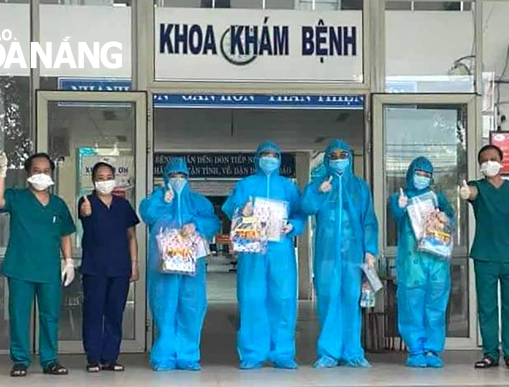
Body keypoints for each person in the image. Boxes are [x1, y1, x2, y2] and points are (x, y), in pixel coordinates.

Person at [222, 141, 306, 370]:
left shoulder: (288, 186)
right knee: (252, 298)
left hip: (281, 250)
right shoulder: (246, 184)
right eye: (265, 155)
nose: (270, 159)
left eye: (274, 156)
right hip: (252, 250)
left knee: (284, 299)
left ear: (279, 160)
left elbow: (300, 214)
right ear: (257, 157)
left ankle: (283, 353)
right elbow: (230, 209)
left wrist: (293, 226)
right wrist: (242, 211)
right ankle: (252, 353)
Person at [0, 152, 76, 377]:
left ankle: (50, 360)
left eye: (46, 171)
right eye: (37, 171)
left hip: (48, 269)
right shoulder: (17, 197)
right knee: (19, 315)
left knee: (50, 316)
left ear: (52, 175)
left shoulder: (57, 204)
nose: (41, 175)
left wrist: (68, 261)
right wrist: (1, 174)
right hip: (20, 267)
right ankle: (20, 360)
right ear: (28, 174)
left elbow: (65, 234)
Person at [301, 139, 379, 369]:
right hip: (326, 254)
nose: (338, 160)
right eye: (333, 156)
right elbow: (306, 207)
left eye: (342, 155)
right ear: (326, 159)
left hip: (353, 254)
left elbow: (369, 221)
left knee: (351, 299)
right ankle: (329, 352)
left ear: (350, 157)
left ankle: (353, 351)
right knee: (328, 298)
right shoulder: (318, 184)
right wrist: (318, 191)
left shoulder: (360, 187)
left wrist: (370, 250)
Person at [139, 157, 220, 371]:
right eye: (173, 176)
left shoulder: (198, 202)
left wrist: (197, 225)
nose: (178, 179)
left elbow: (214, 222)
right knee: (164, 306)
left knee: (191, 306)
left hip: (192, 263)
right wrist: (163, 201)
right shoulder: (157, 197)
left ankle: (188, 355)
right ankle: (164, 356)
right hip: (163, 263)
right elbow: (146, 214)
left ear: (188, 177)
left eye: (182, 176)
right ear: (166, 177)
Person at [459, 144, 509, 370]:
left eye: (493, 158)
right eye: (484, 160)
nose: (488, 163)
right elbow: (470, 193)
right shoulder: (477, 187)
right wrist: (465, 192)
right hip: (485, 256)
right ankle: (490, 354)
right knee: (487, 307)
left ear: (502, 161)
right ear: (480, 166)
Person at [389, 157, 454, 368]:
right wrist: (400, 207)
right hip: (411, 261)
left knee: (435, 304)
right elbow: (396, 216)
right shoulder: (402, 197)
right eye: (419, 173)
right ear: (410, 174)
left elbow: (450, 217)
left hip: (436, 259)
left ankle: (432, 350)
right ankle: (415, 350)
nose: (422, 178)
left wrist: (445, 218)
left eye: (427, 175)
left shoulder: (437, 197)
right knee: (411, 303)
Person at [78, 162, 140, 373]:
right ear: (94, 180)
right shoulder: (87, 202)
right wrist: (85, 213)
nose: (105, 181)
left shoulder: (123, 206)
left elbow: (131, 236)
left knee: (115, 313)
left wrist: (134, 264)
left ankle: (110, 358)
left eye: (108, 176)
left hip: (120, 268)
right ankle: (93, 358)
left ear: (115, 178)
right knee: (93, 313)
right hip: (94, 268)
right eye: (100, 177)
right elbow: (85, 217)